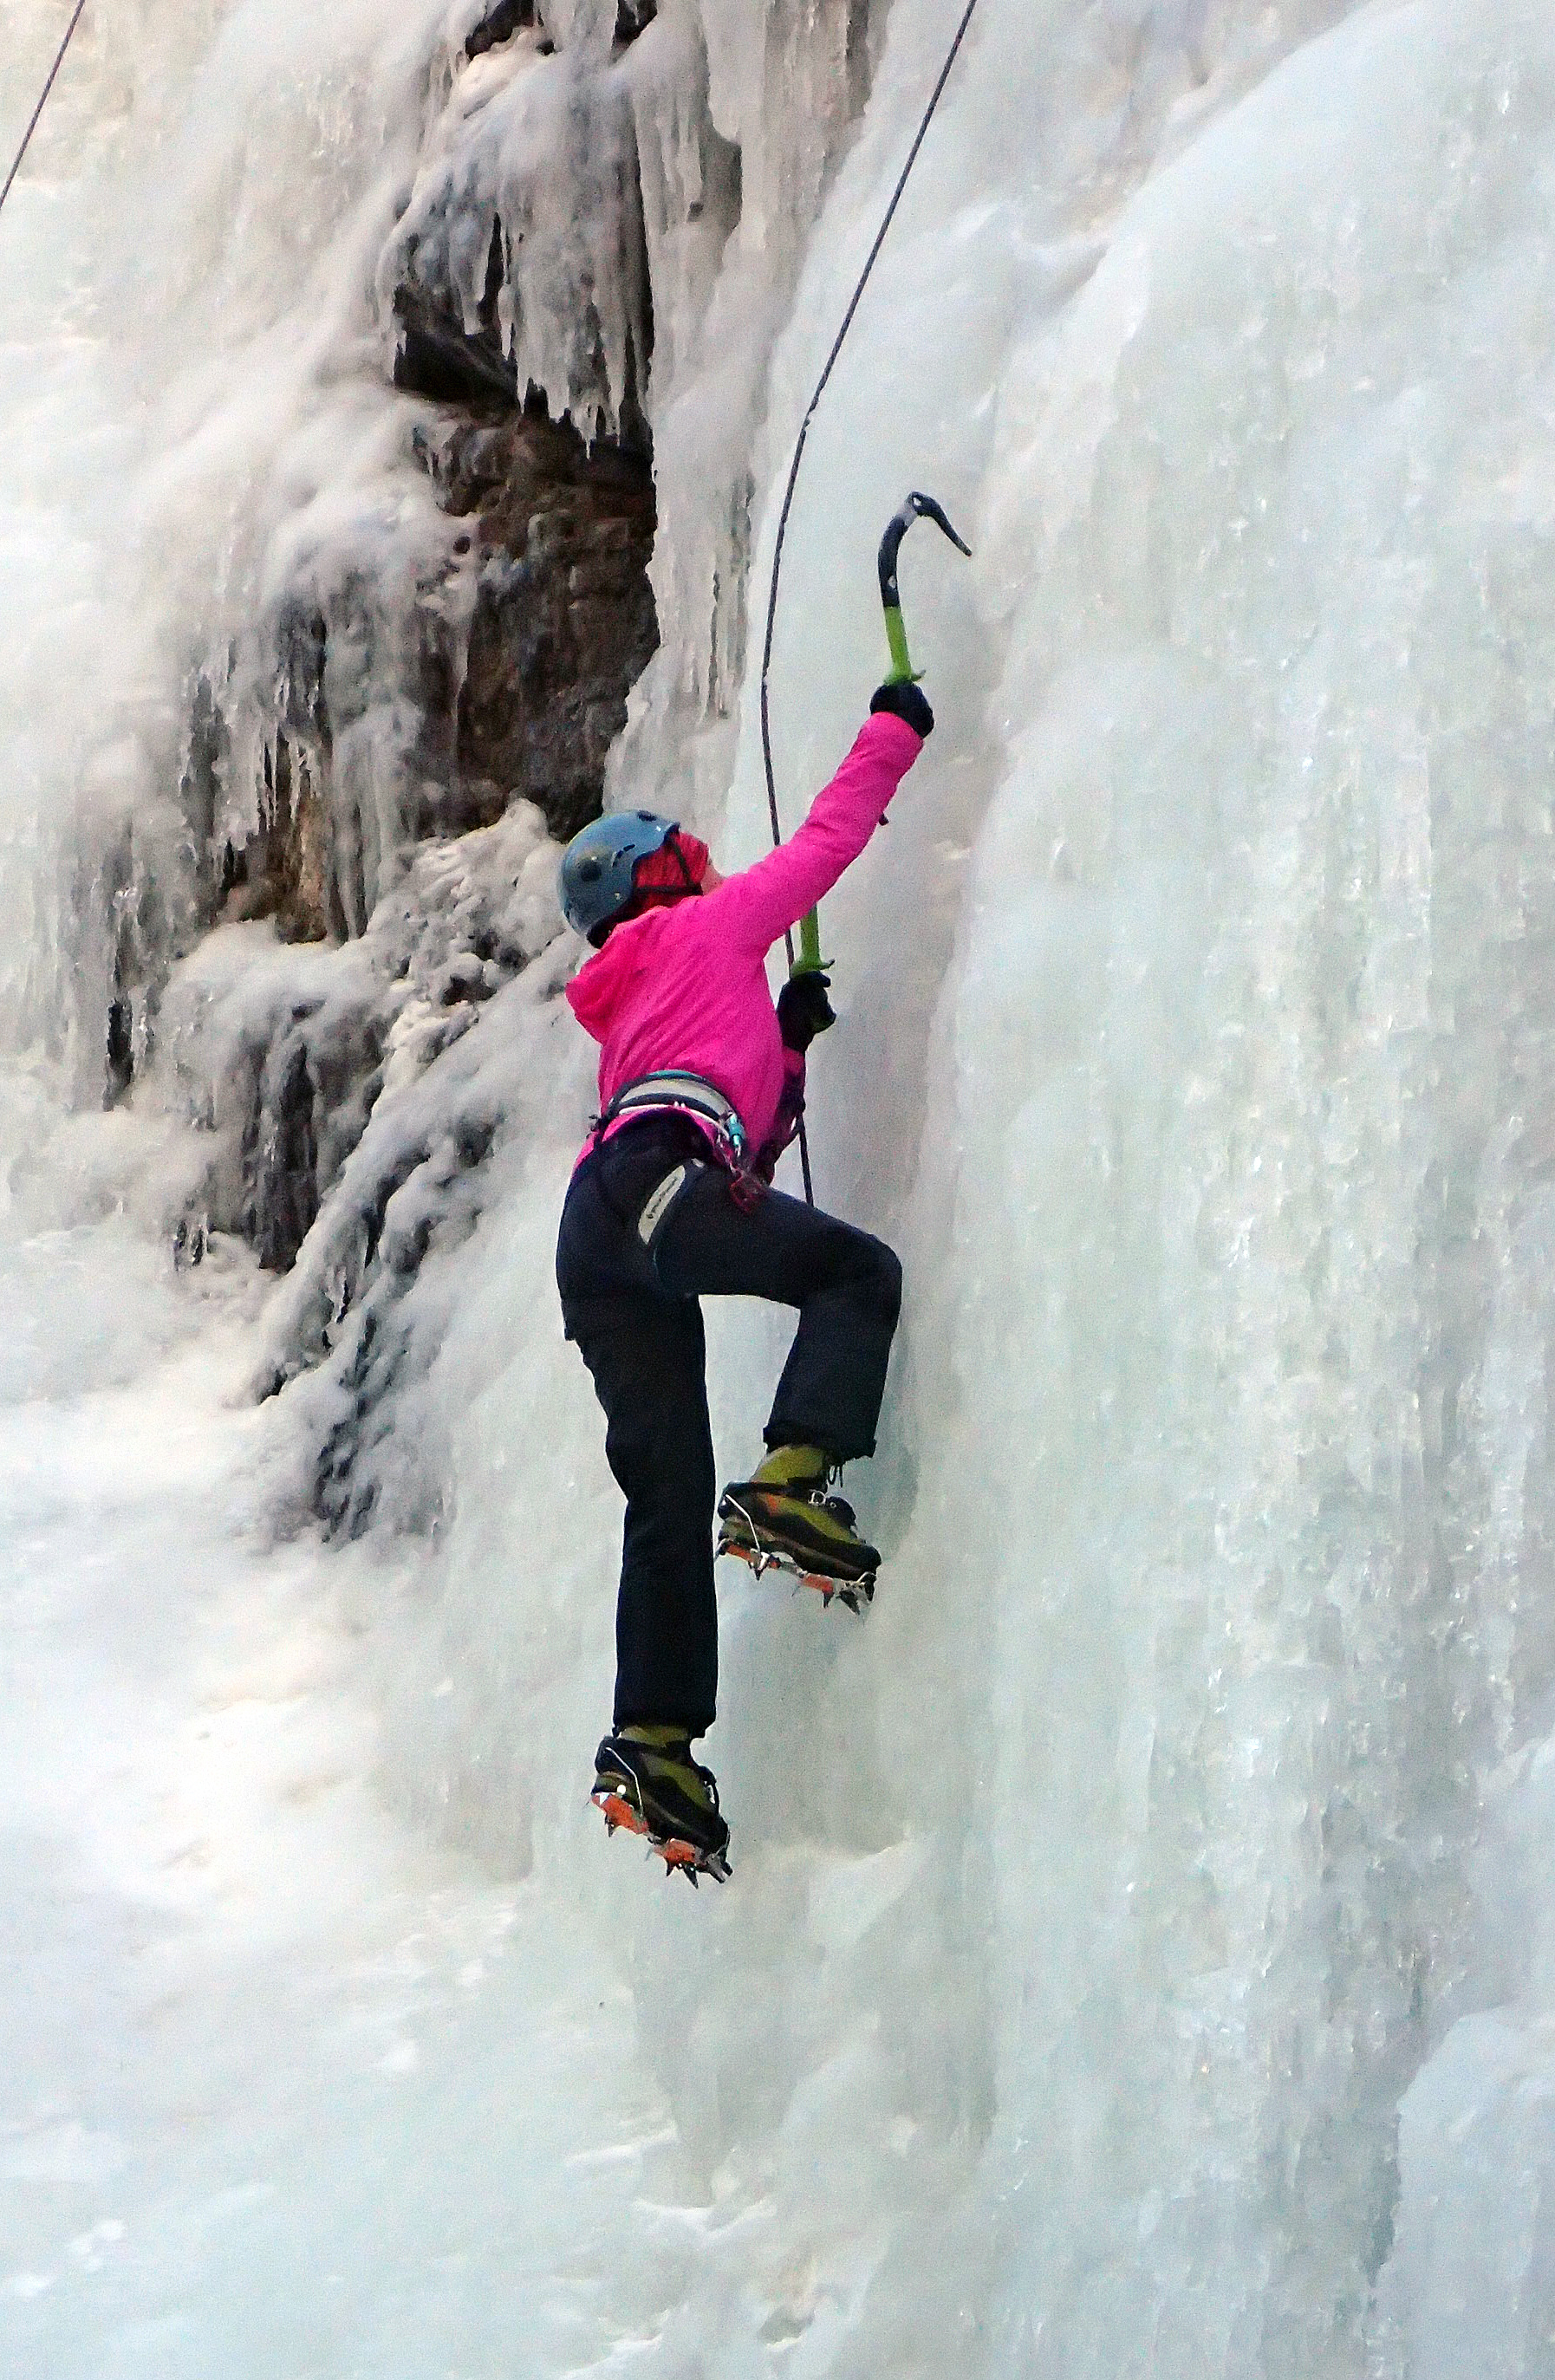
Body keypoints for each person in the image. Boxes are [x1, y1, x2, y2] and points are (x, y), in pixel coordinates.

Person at [555, 680, 934, 1877]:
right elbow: (825, 842)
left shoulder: (639, 996)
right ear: (659, 878)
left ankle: (652, 1741)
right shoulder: (706, 927)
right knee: (855, 1272)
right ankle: (790, 1478)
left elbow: (749, 1154)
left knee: (664, 1496)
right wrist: (893, 728)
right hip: (658, 1184)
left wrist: (788, 1041)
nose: (713, 871)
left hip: (604, 1228)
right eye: (693, 857)